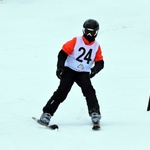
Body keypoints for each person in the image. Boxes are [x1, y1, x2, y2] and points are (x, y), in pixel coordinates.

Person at [40, 19, 104, 126]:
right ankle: (47, 113)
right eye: (87, 31)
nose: (89, 34)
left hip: (83, 72)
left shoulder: (96, 46)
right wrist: (60, 67)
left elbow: (100, 62)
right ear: (83, 31)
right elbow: (62, 53)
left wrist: (94, 70)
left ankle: (95, 112)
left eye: (92, 32)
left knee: (89, 91)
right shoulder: (76, 41)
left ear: (96, 33)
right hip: (69, 70)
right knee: (62, 91)